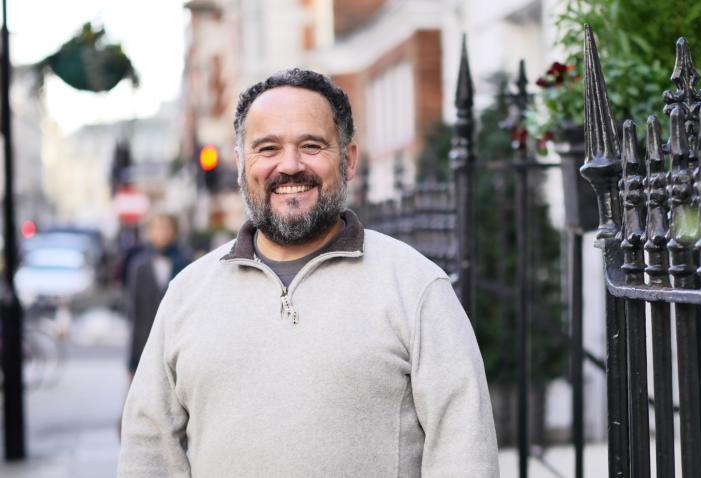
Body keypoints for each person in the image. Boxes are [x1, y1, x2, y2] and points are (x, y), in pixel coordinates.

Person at [117, 68, 499, 476]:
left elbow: (464, 450)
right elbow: (148, 446)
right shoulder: (187, 294)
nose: (290, 165)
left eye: (312, 145)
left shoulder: (415, 286)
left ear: (348, 159)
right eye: (267, 148)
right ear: (241, 162)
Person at [124, 213, 190, 376]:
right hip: (147, 345)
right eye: (156, 227)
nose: (161, 232)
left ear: (175, 231)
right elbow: (135, 314)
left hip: (180, 345)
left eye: (166, 227)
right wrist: (133, 362)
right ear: (149, 232)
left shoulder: (187, 262)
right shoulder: (140, 265)